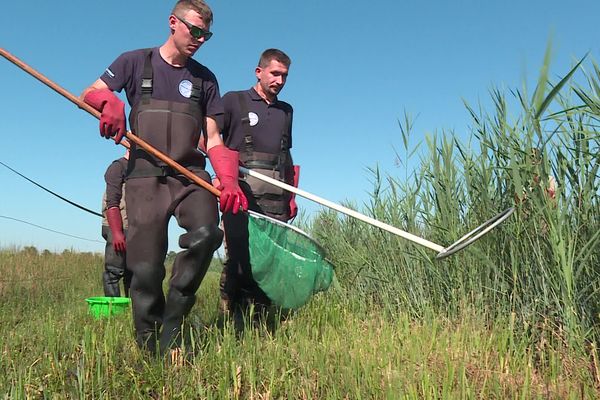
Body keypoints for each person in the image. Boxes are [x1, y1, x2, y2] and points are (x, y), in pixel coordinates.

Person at [80, 0, 248, 357]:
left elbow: (214, 137)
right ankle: (149, 343)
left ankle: (175, 320)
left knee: (207, 234)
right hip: (144, 177)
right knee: (144, 268)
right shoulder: (135, 61)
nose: (201, 39)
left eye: (207, 34)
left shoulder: (205, 78)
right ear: (173, 22)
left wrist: (228, 177)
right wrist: (108, 103)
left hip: (190, 176)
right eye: (195, 30)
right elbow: (90, 92)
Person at [218, 49, 300, 329]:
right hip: (241, 195)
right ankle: (231, 316)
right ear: (259, 71)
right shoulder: (233, 101)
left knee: (272, 259)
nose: (279, 80)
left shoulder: (285, 111)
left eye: (284, 76)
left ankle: (263, 322)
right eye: (274, 73)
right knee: (241, 258)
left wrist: (292, 195)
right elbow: (212, 141)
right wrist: (222, 178)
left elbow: (286, 155)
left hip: (276, 197)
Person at [101, 147, 132, 297]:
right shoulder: (117, 167)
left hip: (133, 227)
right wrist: (117, 232)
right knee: (114, 270)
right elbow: (112, 201)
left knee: (132, 271)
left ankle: (132, 310)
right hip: (118, 227)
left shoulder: (139, 169)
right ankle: (114, 312)